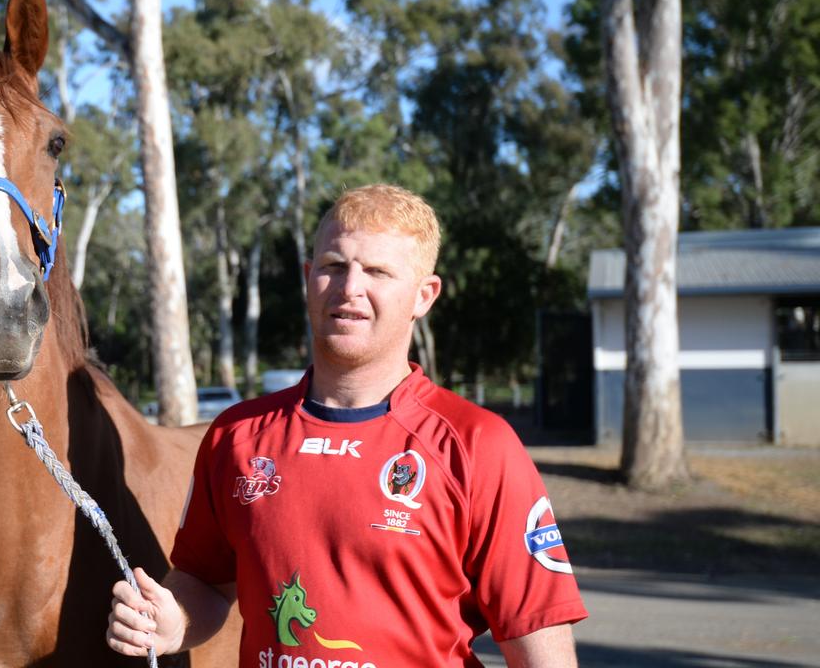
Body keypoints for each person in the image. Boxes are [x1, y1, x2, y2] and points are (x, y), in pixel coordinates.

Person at [107, 184, 587, 667]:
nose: (349, 287)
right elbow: (206, 583)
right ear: (308, 276)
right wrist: (171, 622)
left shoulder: (475, 443)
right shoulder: (236, 436)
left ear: (425, 295)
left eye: (377, 271)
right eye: (334, 267)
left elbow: (537, 631)